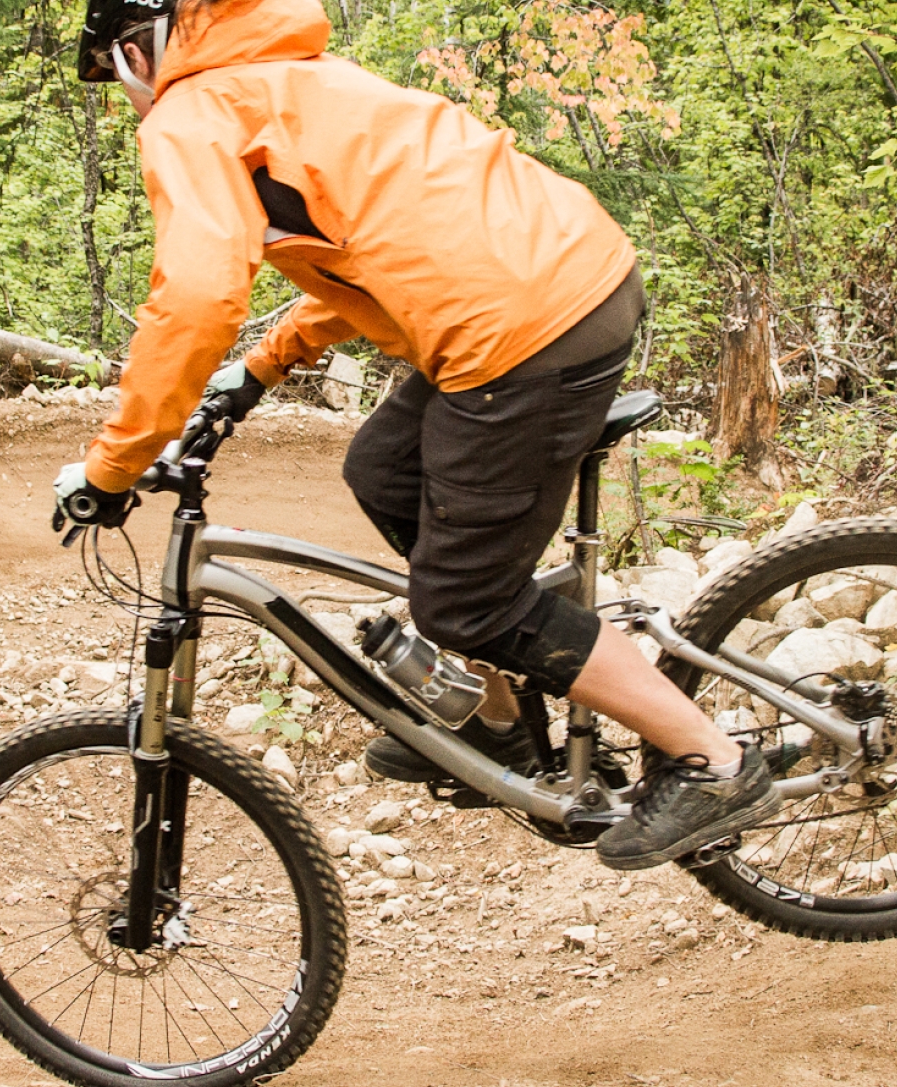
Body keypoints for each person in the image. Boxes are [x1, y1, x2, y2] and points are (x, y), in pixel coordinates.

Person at [47, 0, 781, 870]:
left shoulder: (193, 110)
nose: (122, 93)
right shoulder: (296, 81)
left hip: (523, 329)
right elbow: (381, 249)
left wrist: (115, 465)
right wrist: (258, 371)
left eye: (114, 71)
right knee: (384, 471)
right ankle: (499, 724)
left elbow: (199, 296)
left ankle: (713, 762)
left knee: (467, 601)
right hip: (555, 282)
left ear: (140, 49)